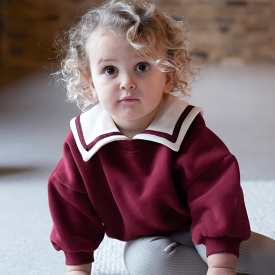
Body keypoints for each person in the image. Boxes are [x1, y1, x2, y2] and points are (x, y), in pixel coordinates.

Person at [48, 1, 275, 274]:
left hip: (202, 223)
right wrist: (77, 269)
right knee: (147, 264)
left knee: (254, 255)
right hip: (146, 240)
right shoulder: (82, 144)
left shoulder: (186, 129)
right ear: (90, 83)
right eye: (110, 70)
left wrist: (222, 265)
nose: (127, 82)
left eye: (142, 67)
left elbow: (216, 195)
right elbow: (71, 207)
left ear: (168, 76)